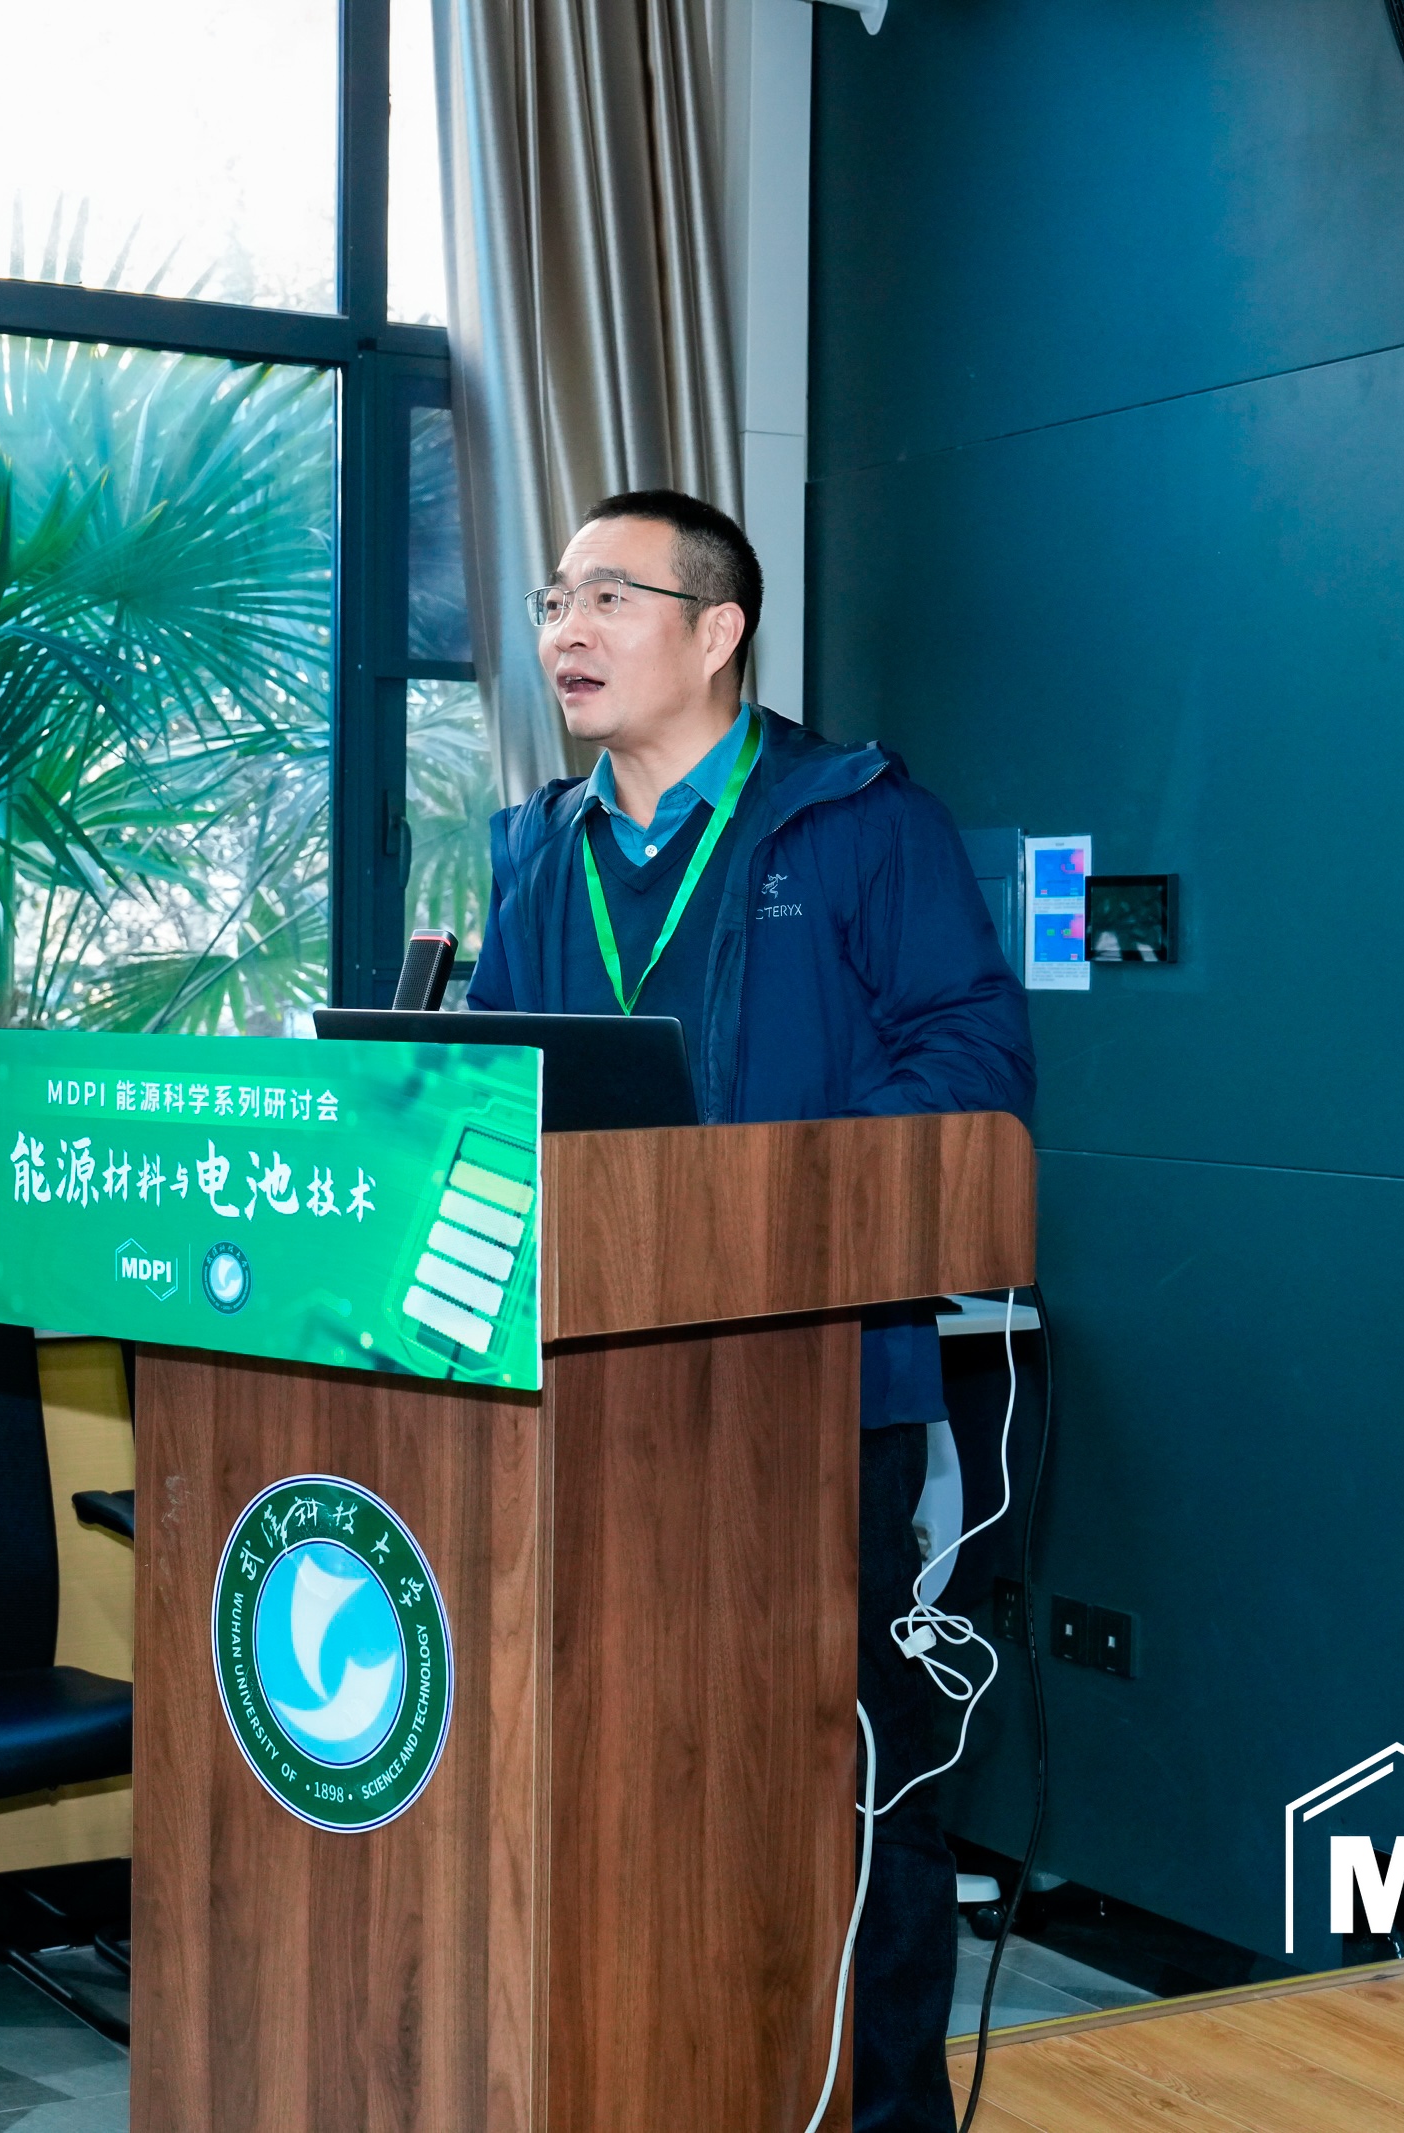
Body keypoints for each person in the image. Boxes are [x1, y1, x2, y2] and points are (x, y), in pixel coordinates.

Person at [467, 488, 1033, 2132]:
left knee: (839, 1765)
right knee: (624, 1763)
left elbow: (972, 1061)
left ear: (717, 632)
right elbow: (486, 1090)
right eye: (553, 600)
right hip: (588, 1394)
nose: (565, 630)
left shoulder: (856, 820)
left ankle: (879, 2112)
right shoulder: (538, 849)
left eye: (608, 597)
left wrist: (753, 1194)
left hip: (819, 1391)